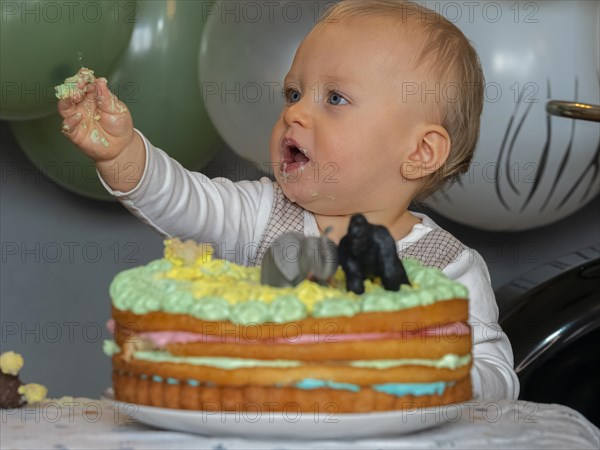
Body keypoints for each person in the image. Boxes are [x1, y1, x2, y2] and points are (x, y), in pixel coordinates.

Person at [58, 0, 519, 401]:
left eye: (334, 98)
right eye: (294, 93)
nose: (294, 111)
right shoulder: (264, 216)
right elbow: (182, 199)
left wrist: (427, 371)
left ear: (419, 153)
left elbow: (498, 377)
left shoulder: (448, 268)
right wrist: (122, 155)